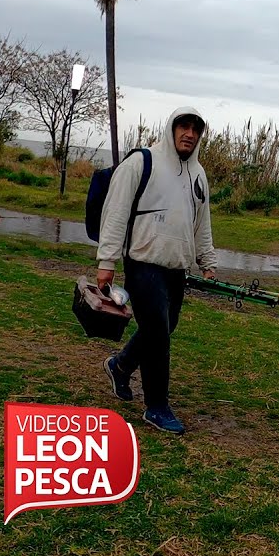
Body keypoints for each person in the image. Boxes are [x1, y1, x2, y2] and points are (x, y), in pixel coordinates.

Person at [99, 107, 217, 436]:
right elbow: (115, 211)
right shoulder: (142, 162)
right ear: (171, 128)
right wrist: (107, 261)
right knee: (158, 335)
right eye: (184, 126)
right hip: (143, 261)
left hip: (176, 268)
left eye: (195, 129)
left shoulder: (199, 175)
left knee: (166, 327)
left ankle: (120, 367)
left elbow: (201, 223)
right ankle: (156, 406)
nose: (189, 134)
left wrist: (207, 261)